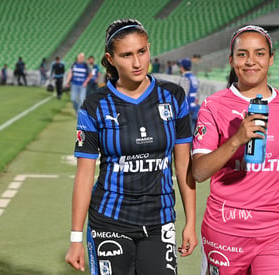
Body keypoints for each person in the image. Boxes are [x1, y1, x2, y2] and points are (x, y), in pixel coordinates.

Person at [65, 18, 197, 275]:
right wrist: (75, 238)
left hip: (160, 220)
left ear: (149, 48)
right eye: (126, 55)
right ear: (110, 59)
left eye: (141, 51)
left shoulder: (173, 96)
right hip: (110, 221)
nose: (137, 62)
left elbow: (184, 165)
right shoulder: (95, 106)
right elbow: (84, 175)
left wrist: (190, 221)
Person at [191, 25, 279, 275]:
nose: (250, 61)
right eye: (242, 54)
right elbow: (198, 172)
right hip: (226, 230)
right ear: (231, 60)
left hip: (277, 230)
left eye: (259, 54)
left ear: (271, 59)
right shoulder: (213, 106)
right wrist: (236, 140)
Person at [178, 58, 199, 130]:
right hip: (194, 106)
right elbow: (197, 93)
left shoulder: (185, 78)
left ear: (182, 67)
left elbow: (183, 94)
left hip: (187, 108)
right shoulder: (194, 77)